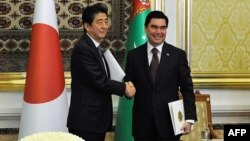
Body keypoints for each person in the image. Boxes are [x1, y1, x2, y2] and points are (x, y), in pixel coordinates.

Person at [124, 11, 197, 141]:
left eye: (162, 27)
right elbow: (129, 82)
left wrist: (189, 118)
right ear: (146, 28)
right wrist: (127, 88)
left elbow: (187, 88)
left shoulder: (178, 55)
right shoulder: (133, 55)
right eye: (154, 27)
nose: (159, 31)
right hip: (142, 126)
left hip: (170, 125)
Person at [67, 3, 135, 141]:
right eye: (100, 22)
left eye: (106, 21)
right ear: (87, 26)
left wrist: (127, 81)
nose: (105, 26)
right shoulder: (83, 49)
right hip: (86, 122)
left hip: (95, 120)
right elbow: (99, 81)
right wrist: (124, 88)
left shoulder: (95, 47)